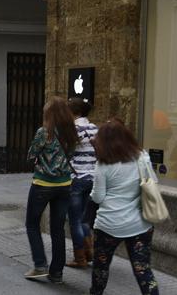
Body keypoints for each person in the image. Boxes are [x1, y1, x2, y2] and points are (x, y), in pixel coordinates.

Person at [89, 119, 158, 295]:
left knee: (101, 269)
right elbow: (153, 183)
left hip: (108, 224)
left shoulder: (103, 164)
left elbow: (97, 197)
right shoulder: (142, 157)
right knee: (143, 270)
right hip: (139, 224)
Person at [24, 96, 78, 284]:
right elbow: (70, 155)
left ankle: (40, 265)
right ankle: (56, 273)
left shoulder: (44, 132)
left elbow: (31, 154)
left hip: (43, 185)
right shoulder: (71, 133)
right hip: (64, 185)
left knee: (32, 224)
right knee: (58, 229)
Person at [66, 97, 98, 268]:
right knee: (85, 218)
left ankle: (80, 258)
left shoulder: (72, 129)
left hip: (77, 177)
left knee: (74, 220)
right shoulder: (94, 128)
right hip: (93, 177)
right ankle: (89, 251)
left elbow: (66, 152)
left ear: (74, 112)